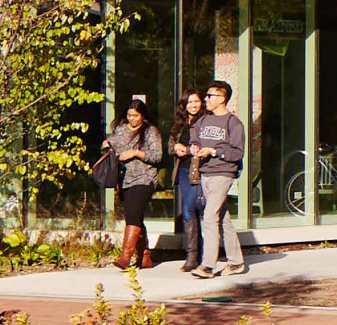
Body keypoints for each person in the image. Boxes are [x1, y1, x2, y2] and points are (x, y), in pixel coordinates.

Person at [95, 94, 161, 270]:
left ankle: (126, 256)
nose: (132, 119)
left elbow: (157, 156)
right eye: (130, 115)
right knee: (135, 216)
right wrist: (106, 144)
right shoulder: (122, 129)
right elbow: (112, 144)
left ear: (142, 116)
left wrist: (136, 153)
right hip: (125, 179)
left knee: (133, 213)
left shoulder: (150, 131)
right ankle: (145, 255)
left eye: (135, 116)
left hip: (145, 178)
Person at [189, 80, 245, 275]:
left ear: (222, 99)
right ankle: (237, 262)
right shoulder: (203, 120)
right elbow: (194, 137)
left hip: (223, 172)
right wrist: (194, 146)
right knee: (222, 217)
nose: (206, 99)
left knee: (209, 215)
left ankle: (208, 265)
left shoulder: (233, 123)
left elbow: (237, 153)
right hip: (206, 173)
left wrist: (213, 151)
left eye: (210, 96)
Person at [168, 91, 206, 272]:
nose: (193, 105)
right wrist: (176, 149)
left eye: (196, 101)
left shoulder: (206, 121)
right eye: (189, 102)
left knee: (191, 208)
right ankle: (194, 253)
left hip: (199, 170)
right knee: (190, 210)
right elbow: (169, 146)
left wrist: (189, 151)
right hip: (183, 171)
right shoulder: (180, 125)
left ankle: (194, 255)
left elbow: (204, 147)